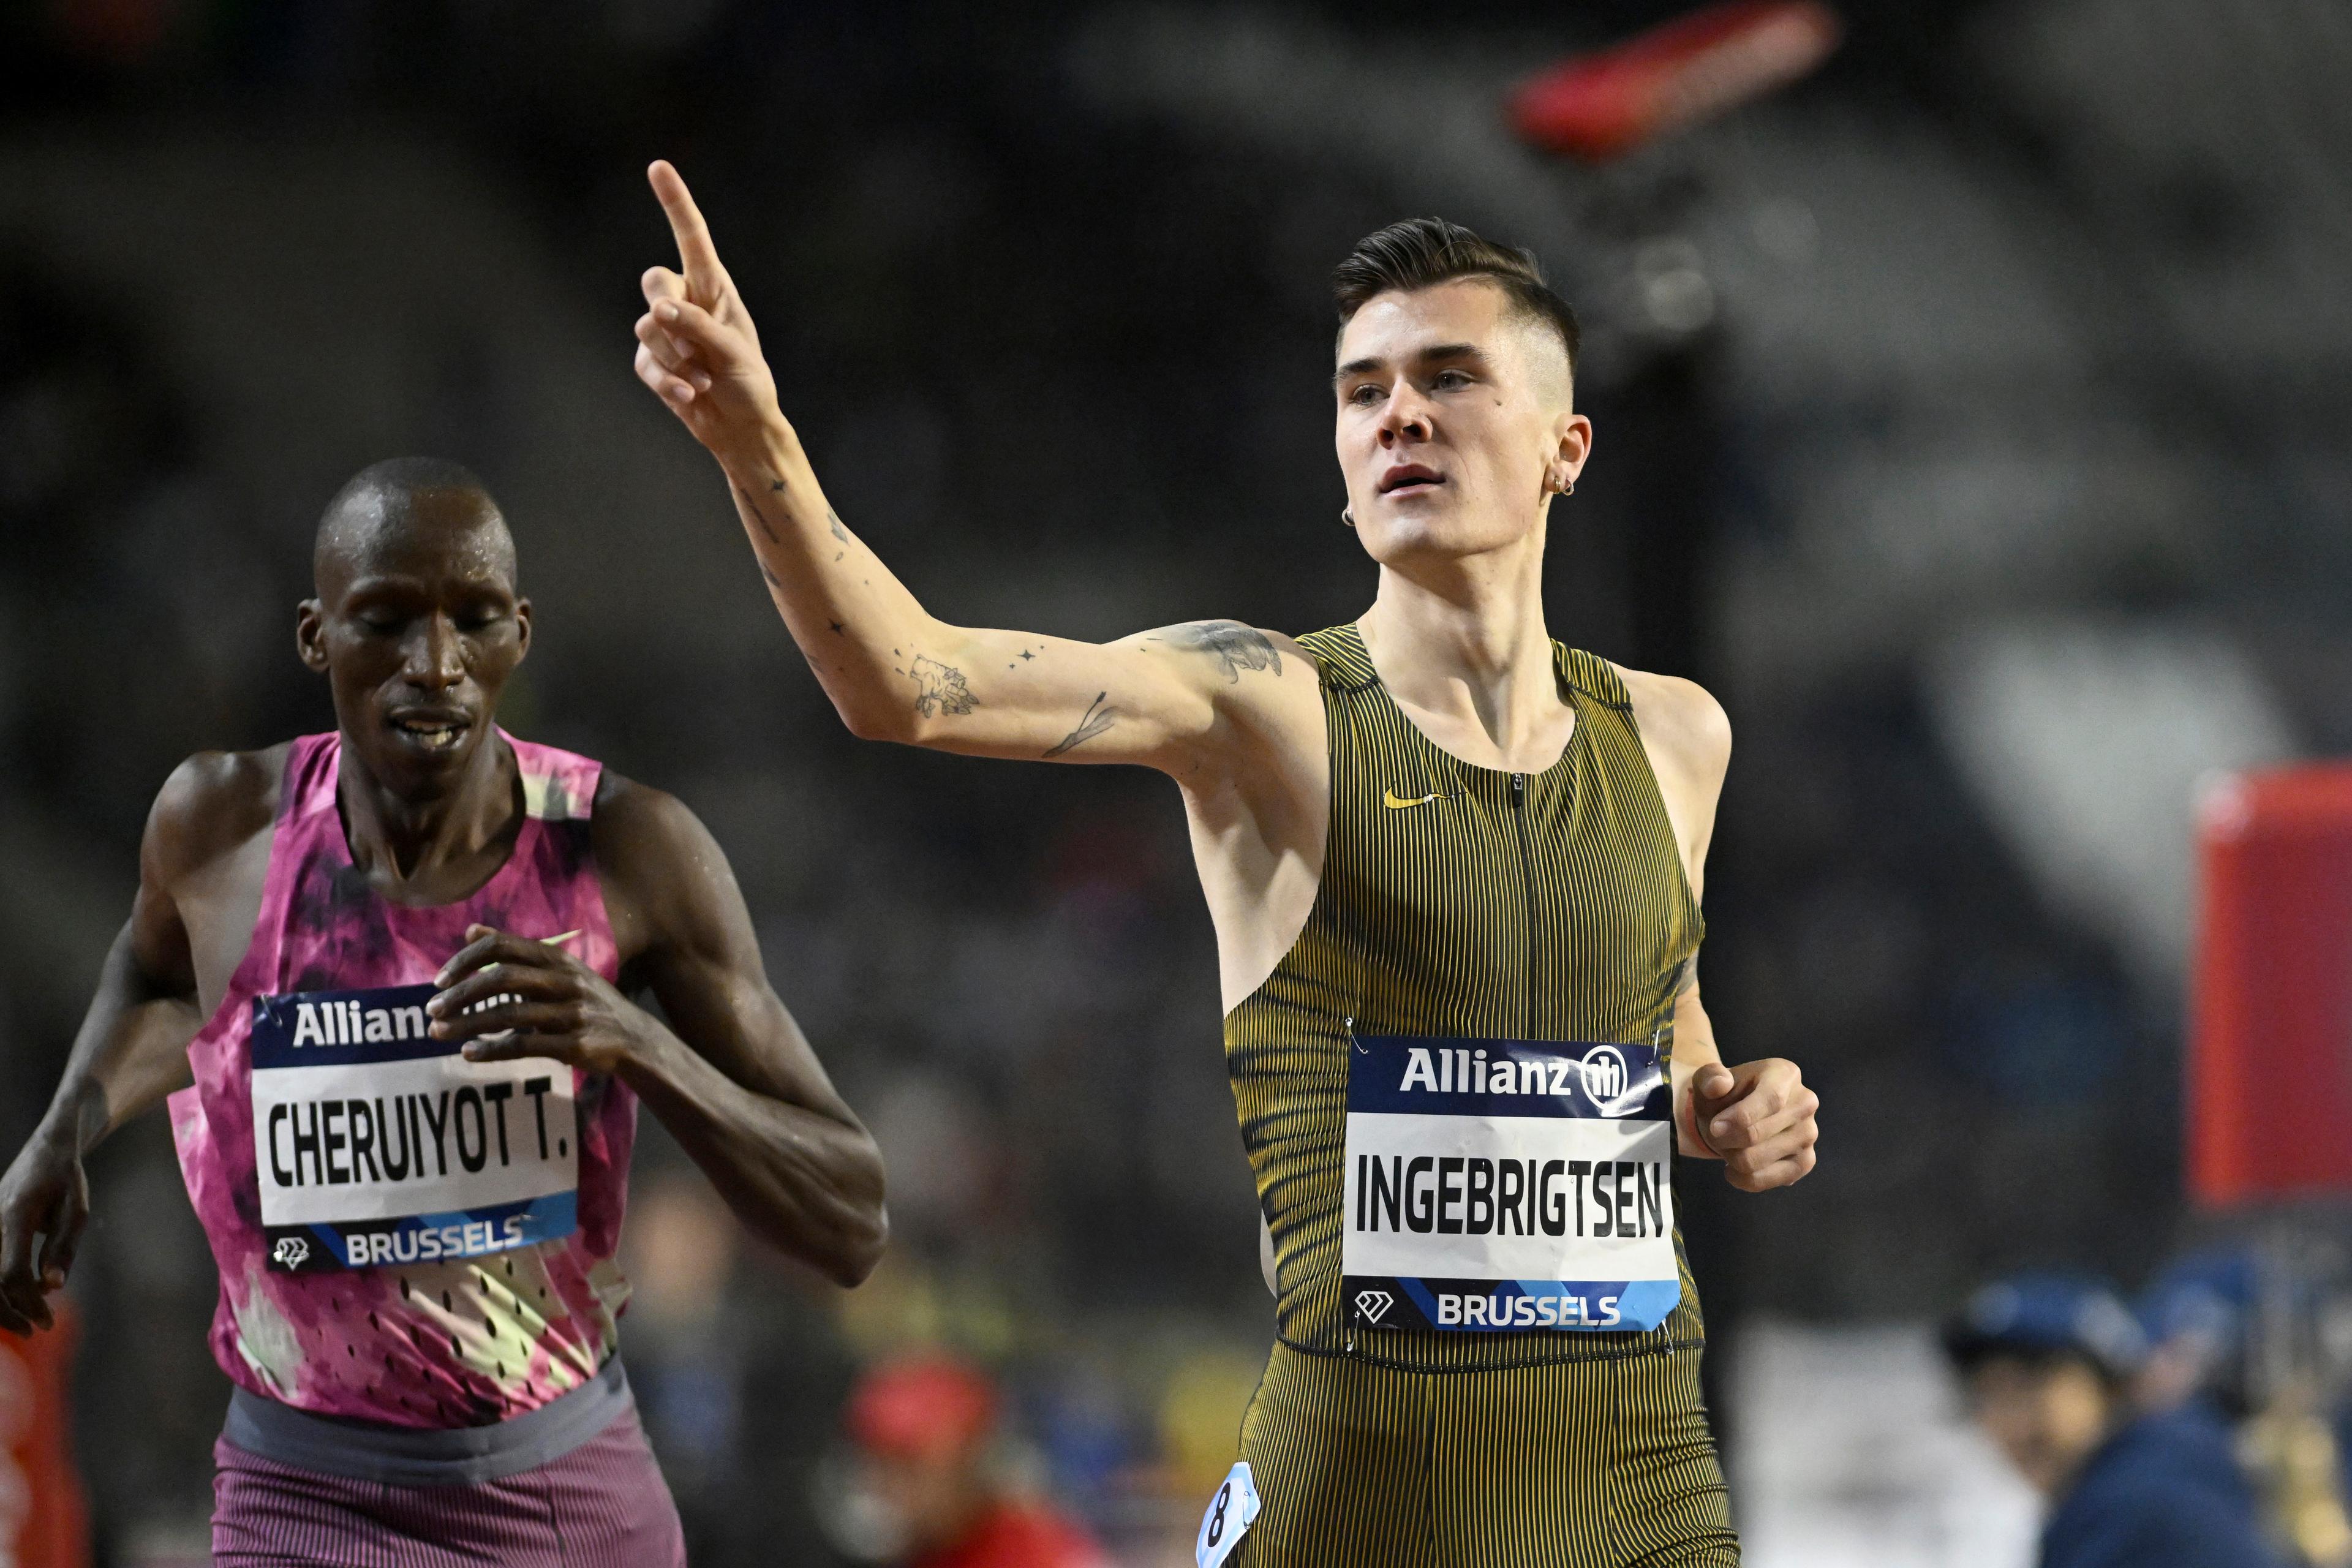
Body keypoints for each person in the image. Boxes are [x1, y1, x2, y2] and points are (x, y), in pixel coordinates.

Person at [628, 160, 1821, 1566]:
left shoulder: (1675, 734)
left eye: (1447, 376)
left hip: (1636, 1485)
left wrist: (1734, 1102)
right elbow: (914, 683)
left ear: (1564, 444)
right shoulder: (1262, 708)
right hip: (1365, 1495)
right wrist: (755, 439)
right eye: (1361, 388)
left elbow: (1652, 1024)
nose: (1398, 417)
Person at [0, 458, 888, 1565]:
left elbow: (852, 1218)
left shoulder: (626, 849)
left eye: (474, 621)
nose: (435, 665)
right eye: (386, 621)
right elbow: (163, 982)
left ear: (519, 635)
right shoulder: (219, 826)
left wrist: (638, 1040)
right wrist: (63, 1126)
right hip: (298, 1498)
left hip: (559, 1499)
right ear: (316, 636)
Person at [1945, 1272, 2287, 1568]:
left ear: (2111, 1386)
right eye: (1988, 1397)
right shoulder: (2168, 1463)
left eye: (2029, 1388)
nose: (2014, 1426)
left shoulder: (2134, 1510)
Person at [835, 1354, 1109, 1568]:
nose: (888, 1489)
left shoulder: (1048, 1554)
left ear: (970, 1462)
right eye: (879, 1467)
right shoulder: (908, 1554)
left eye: (908, 1467)